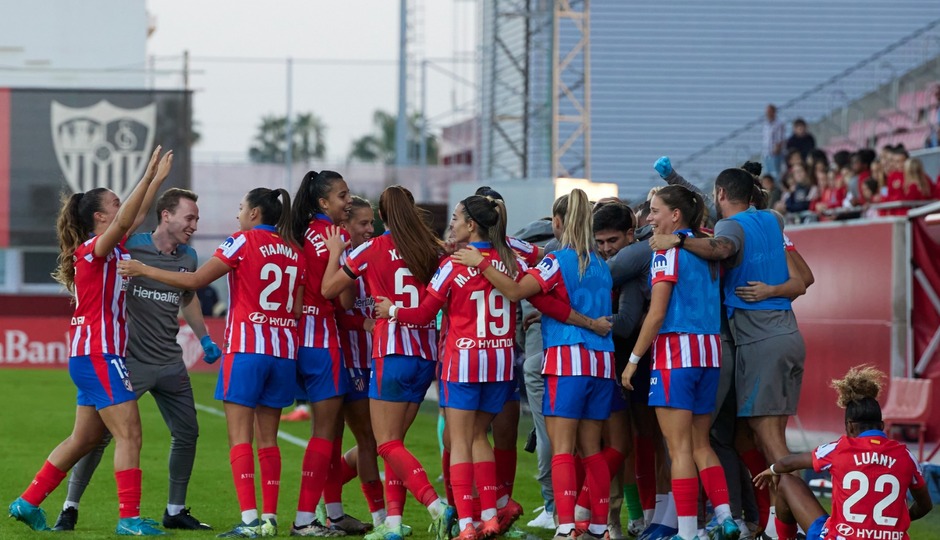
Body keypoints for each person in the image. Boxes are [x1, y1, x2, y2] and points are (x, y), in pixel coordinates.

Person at [118, 187, 304, 538]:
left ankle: (249, 523)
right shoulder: (294, 251)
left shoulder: (242, 241)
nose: (237, 215)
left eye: (240, 208)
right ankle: (270, 519)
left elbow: (196, 281)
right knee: (269, 441)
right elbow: (295, 309)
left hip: (247, 349)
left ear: (253, 214)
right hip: (282, 352)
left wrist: (144, 269)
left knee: (239, 439)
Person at [8, 147, 173, 536]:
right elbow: (130, 216)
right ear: (100, 217)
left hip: (92, 355)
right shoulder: (94, 249)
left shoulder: (109, 246)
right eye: (114, 203)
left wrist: (155, 181)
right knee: (130, 433)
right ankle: (129, 520)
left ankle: (26, 502)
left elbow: (134, 214)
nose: (121, 207)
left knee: (84, 438)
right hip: (100, 355)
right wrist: (147, 176)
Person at [51, 188, 221, 533]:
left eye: (197, 219)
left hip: (171, 361)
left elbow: (187, 295)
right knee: (96, 437)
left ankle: (174, 510)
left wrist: (203, 336)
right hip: (129, 362)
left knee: (188, 432)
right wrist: (153, 176)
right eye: (190, 217)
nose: (194, 225)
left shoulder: (188, 257)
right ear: (166, 215)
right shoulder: (129, 246)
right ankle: (69, 507)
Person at [649, 167, 807, 537]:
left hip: (755, 340)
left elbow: (721, 247)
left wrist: (678, 241)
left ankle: (808, 525)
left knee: (764, 442)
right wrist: (772, 290)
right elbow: (804, 280)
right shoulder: (773, 221)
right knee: (756, 439)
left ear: (721, 194)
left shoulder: (729, 230)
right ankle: (773, 528)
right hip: (786, 334)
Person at [452, 189, 616, 540]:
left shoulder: (556, 260)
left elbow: (514, 291)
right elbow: (563, 302)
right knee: (592, 448)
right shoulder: (602, 264)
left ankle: (567, 525)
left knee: (561, 447)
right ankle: (600, 527)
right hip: (602, 362)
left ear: (557, 223)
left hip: (567, 360)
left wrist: (481, 264)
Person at [374, 195, 525, 540]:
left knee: (459, 440)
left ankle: (468, 525)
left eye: (456, 218)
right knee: (478, 436)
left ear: (472, 225)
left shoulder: (453, 264)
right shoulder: (509, 259)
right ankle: (489, 517)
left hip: (464, 360)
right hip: (500, 361)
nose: (452, 224)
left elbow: (425, 313)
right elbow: (523, 287)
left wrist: (393, 311)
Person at [320, 185, 456, 540]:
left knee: (386, 445)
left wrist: (336, 253)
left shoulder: (371, 248)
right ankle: (392, 524)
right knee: (397, 444)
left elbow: (329, 290)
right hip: (425, 355)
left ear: (382, 215)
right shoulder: (435, 250)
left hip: (390, 353)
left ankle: (435, 505)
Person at [622, 185, 739, 540]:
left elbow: (656, 315)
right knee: (701, 444)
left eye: (655, 210)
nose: (648, 218)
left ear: (675, 215)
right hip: (709, 353)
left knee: (680, 449)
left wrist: (632, 361)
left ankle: (687, 533)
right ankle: (726, 518)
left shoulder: (666, 252)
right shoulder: (706, 250)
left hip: (676, 355)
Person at [753, 366, 933, 540]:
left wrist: (773, 469)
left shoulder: (841, 448)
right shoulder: (905, 455)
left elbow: (789, 463)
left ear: (850, 426)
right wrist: (895, 524)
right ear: (881, 426)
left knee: (787, 482)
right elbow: (925, 505)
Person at [289, 170, 373, 537]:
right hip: (323, 340)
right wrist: (348, 262)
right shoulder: (331, 235)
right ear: (323, 202)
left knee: (333, 432)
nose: (348, 200)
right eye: (342, 195)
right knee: (325, 433)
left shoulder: (303, 230)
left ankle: (334, 515)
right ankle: (305, 519)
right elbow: (341, 297)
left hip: (299, 338)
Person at [329, 195, 387, 530]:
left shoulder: (375, 253)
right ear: (345, 226)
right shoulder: (341, 260)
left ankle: (328, 492)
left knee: (377, 440)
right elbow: (336, 309)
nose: (369, 229)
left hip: (376, 357)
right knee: (369, 439)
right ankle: (381, 518)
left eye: (371, 223)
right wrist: (362, 323)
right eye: (363, 223)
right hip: (352, 360)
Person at [762, 104, 787, 179]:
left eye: (769, 112)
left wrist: (777, 149)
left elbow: (780, 138)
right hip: (766, 153)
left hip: (775, 154)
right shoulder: (766, 124)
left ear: (774, 112)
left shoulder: (778, 123)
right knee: (767, 174)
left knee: (775, 174)